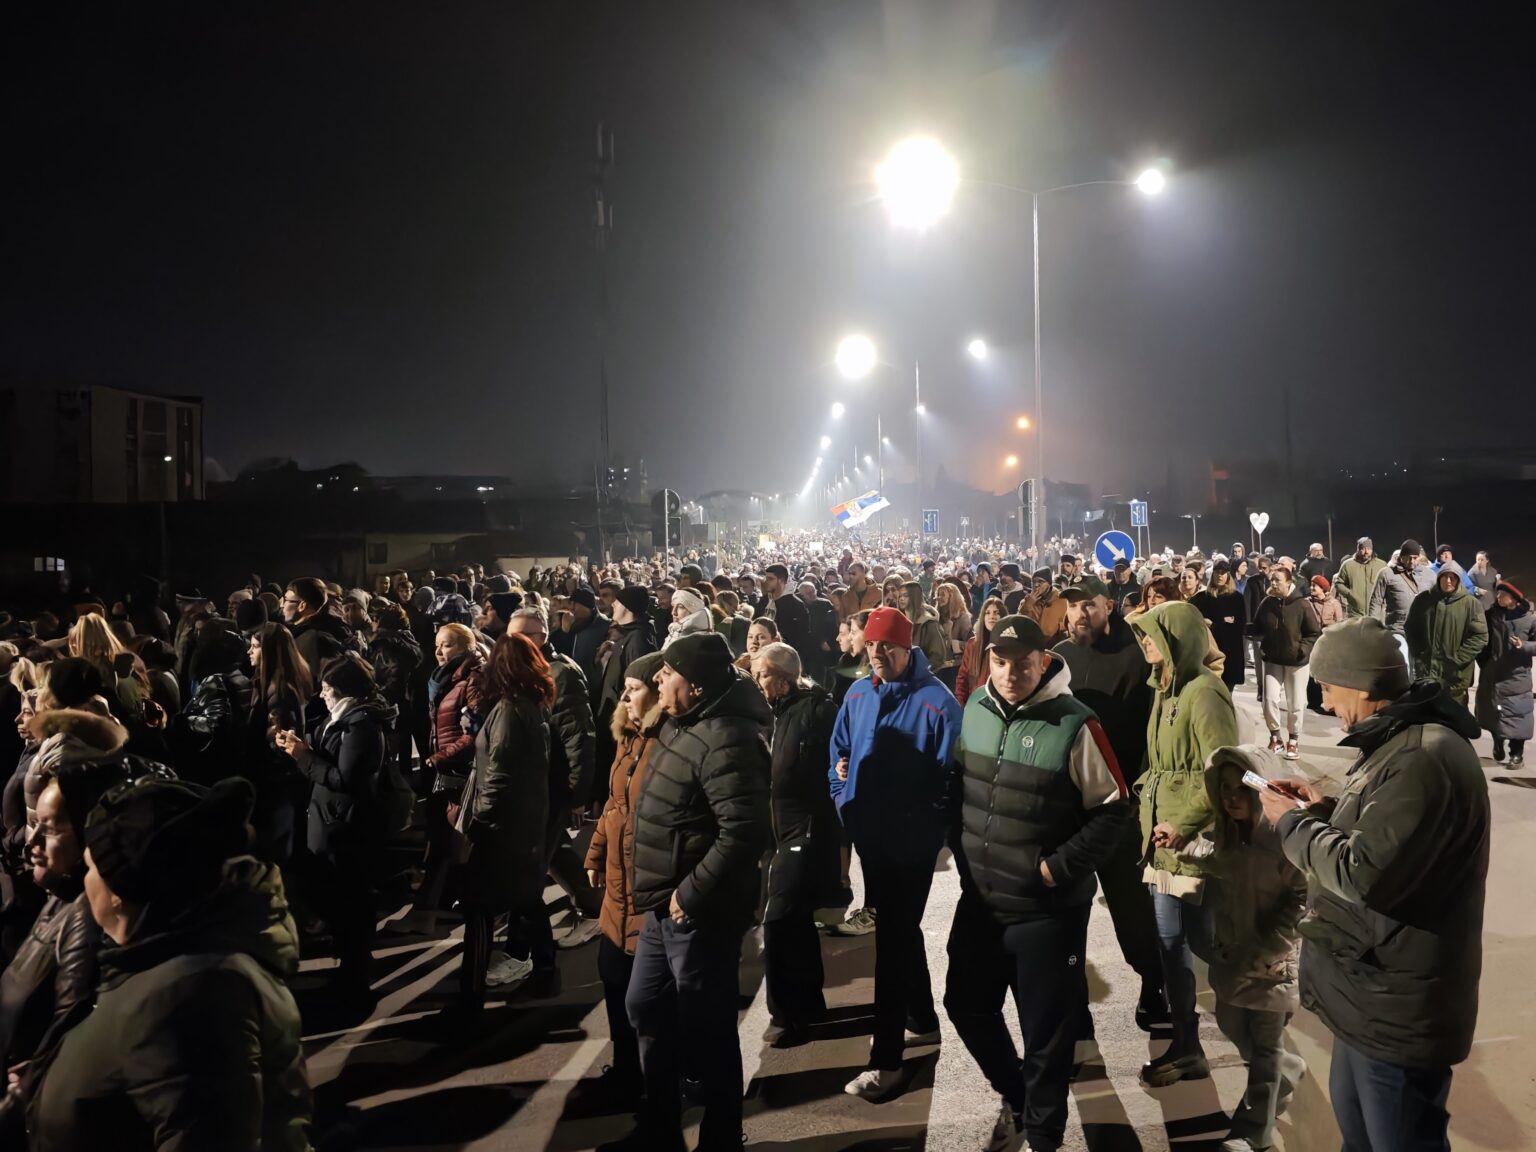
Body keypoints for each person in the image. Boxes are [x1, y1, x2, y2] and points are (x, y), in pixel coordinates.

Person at [1258, 617, 1488, 1152]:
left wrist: (1290, 824)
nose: (1324, 703)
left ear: (1361, 685)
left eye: (1327, 688)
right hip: (1368, 993)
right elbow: (1391, 841)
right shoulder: (1401, 742)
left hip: (1395, 1007)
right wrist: (1322, 810)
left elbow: (1362, 872)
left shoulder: (1421, 758)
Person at [31, 777, 311, 1152]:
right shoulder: (166, 969)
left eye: (91, 866)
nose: (86, 879)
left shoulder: (185, 996)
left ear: (118, 893)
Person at [944, 615, 1131, 1152]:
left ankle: (1045, 1138)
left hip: (1046, 913)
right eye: (999, 662)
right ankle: (1019, 1100)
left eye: (1022, 663)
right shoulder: (976, 709)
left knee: (1047, 1038)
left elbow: (1115, 811)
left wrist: (1057, 867)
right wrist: (961, 847)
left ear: (1043, 661)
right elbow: (961, 785)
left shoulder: (1075, 724)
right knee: (965, 1005)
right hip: (983, 900)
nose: (1009, 674)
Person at [623, 632, 771, 1152]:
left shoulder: (728, 737)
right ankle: (661, 1125)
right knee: (645, 1005)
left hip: (699, 913)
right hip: (664, 906)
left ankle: (722, 1137)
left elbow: (744, 831)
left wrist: (691, 893)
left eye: (669, 673)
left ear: (698, 685)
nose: (659, 679)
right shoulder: (682, 722)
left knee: (709, 1033)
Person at [830, 606, 962, 1102]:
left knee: (890, 941)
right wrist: (845, 800)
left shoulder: (938, 703)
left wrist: (926, 824)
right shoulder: (858, 693)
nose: (877, 654)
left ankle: (886, 1061)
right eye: (871, 645)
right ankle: (921, 1018)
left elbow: (954, 778)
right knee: (900, 931)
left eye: (887, 645)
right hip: (871, 838)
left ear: (908, 647)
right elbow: (837, 754)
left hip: (911, 846)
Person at [1129, 601, 1240, 1086]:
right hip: (1164, 844)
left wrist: (1185, 823)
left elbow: (1224, 772)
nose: (1145, 641)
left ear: (1179, 638)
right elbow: (1163, 766)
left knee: (1205, 945)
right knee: (1173, 947)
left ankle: (1261, 1037)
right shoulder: (1165, 689)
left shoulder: (1204, 692)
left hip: (1192, 845)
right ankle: (1187, 1045)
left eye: (1153, 633)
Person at [1053, 578, 1167, 1033]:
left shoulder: (1136, 655)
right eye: (1073, 606)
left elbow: (1154, 728)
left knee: (1131, 910)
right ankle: (1072, 1003)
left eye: (1089, 605)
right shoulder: (1059, 656)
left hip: (1120, 808)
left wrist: (1140, 793)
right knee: (1067, 914)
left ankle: (1154, 983)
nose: (1080, 613)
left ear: (1109, 606)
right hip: (1070, 811)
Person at [1204, 747, 1308, 1152]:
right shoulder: (1228, 836)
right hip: (1233, 956)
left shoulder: (1283, 840)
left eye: (1242, 789)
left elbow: (1303, 896)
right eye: (1225, 789)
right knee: (1231, 1025)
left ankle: (1254, 1133)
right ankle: (1287, 1069)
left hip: (1272, 964)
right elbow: (1215, 861)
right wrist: (1181, 846)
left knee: (1264, 1051)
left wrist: (1275, 943)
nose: (1232, 798)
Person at [276, 651, 395, 1002]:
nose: (322, 694)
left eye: (327, 688)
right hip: (332, 821)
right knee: (340, 900)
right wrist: (300, 745)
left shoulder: (361, 727)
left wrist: (303, 757)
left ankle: (354, 979)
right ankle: (350, 967)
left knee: (351, 902)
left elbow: (345, 778)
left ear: (345, 690)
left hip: (346, 827)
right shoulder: (342, 718)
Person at [584, 651, 666, 1105]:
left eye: (634, 689)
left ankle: (657, 1088)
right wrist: (596, 851)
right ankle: (626, 1072)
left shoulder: (666, 741)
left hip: (646, 883)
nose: (624, 697)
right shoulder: (628, 738)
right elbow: (616, 805)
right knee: (612, 975)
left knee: (646, 998)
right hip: (617, 883)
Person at [456, 633, 554, 1004]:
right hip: (524, 820)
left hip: (503, 826)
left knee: (480, 905)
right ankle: (545, 969)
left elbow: (498, 772)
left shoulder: (511, 710)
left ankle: (471, 994)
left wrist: (478, 822)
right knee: (526, 897)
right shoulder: (532, 704)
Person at [750, 642, 840, 1048]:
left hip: (804, 830)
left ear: (785, 679)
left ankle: (788, 1017)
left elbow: (833, 767)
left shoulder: (817, 711)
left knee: (779, 921)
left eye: (764, 675)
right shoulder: (771, 711)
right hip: (775, 833)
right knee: (796, 920)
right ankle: (811, 1006)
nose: (758, 682)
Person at [505, 608, 601, 950]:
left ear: (542, 637)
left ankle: (523, 952)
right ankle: (592, 906)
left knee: (532, 864)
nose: (513, 643)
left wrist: (577, 793)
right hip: (536, 781)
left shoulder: (560, 673)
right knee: (553, 850)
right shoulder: (524, 669)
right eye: (510, 637)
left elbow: (578, 736)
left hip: (551, 782)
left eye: (522, 636)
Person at [244, 623, 312, 863]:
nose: (249, 651)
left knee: (275, 848)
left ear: (270, 652)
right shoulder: (271, 685)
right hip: (274, 781)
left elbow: (280, 742)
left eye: (255, 646)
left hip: (275, 783)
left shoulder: (279, 692)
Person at [1254, 565, 1321, 759]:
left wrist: (1303, 650)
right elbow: (1257, 627)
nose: (1273, 583)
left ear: (1289, 582)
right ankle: (1275, 737)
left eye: (1278, 580)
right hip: (1272, 660)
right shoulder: (1267, 603)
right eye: (1271, 580)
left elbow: (1313, 633)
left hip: (1296, 662)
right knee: (1269, 700)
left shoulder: (1302, 605)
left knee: (1296, 702)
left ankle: (1293, 740)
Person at [1405, 566, 1488, 706]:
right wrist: (1419, 653)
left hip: (1455, 677)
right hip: (1426, 674)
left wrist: (1458, 659)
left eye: (1453, 578)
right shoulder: (1423, 600)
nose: (1448, 581)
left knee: (1454, 715)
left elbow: (1480, 636)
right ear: (1439, 578)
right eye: (1445, 577)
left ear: (1459, 580)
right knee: (1426, 714)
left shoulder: (1471, 604)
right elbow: (1411, 628)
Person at [1476, 581, 1534, 767]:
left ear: (1514, 598)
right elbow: (1481, 641)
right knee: (1494, 712)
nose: (1498, 597)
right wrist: (1485, 663)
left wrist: (1524, 646)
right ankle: (1498, 742)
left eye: (1503, 595)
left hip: (1517, 676)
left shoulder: (1529, 619)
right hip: (1493, 674)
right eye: (1498, 594)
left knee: (1518, 715)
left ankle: (1517, 754)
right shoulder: (1490, 616)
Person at [1369, 539, 1434, 663]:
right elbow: (1376, 602)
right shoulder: (1387, 574)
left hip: (1423, 630)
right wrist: (1372, 628)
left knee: (1420, 666)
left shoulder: (1429, 575)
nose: (1412, 561)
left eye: (1415, 558)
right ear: (1401, 557)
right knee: (1403, 663)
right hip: (1397, 628)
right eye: (1408, 557)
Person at [281, 577, 355, 679]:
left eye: (286, 600)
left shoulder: (311, 639)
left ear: (302, 605)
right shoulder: (328, 630)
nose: (282, 605)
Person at [1191, 560, 1247, 691]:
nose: (1220, 575)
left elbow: (1239, 626)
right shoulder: (1200, 598)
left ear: (1228, 575)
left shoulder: (1236, 598)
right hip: (1207, 651)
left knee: (1226, 692)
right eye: (1217, 572)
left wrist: (1214, 624)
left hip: (1230, 652)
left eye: (1223, 573)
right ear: (1212, 574)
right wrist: (1223, 622)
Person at [955, 596, 1004, 706]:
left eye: (996, 613)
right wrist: (961, 705)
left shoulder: (1008, 646)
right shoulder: (972, 644)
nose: (992, 616)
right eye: (988, 613)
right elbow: (962, 678)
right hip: (974, 705)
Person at [899, 580, 949, 679]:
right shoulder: (900, 621)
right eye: (900, 595)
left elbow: (937, 656)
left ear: (914, 597)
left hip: (921, 678)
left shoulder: (929, 624)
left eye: (905, 595)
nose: (901, 599)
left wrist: (920, 672)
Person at [931, 582, 973, 693]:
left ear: (952, 596)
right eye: (938, 594)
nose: (939, 598)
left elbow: (971, 644)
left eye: (943, 594)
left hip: (954, 668)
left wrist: (955, 644)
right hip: (937, 667)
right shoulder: (935, 617)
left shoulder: (963, 618)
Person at [1024, 569, 1069, 647]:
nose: (1036, 585)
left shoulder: (1061, 601)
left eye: (1040, 581)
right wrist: (1027, 608)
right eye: (1033, 582)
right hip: (1032, 646)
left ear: (1049, 584)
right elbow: (1019, 625)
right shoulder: (1026, 601)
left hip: (1055, 648)